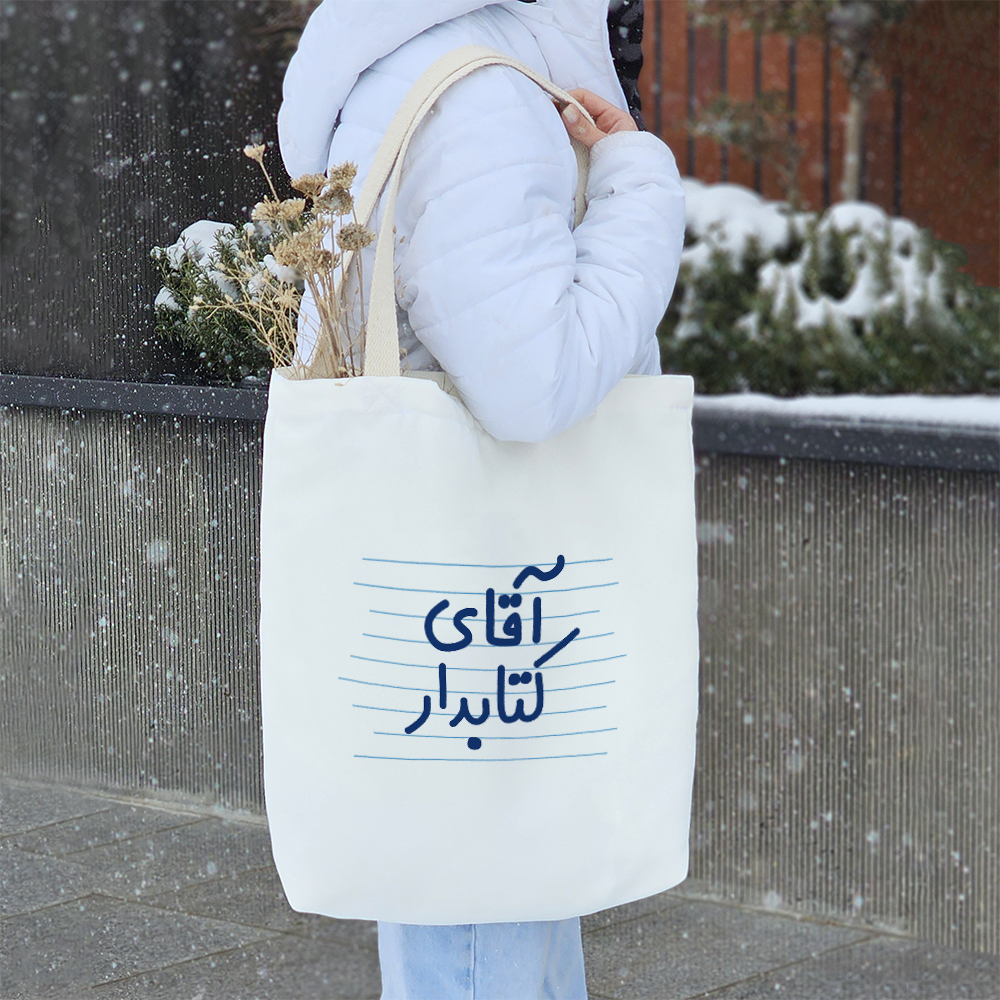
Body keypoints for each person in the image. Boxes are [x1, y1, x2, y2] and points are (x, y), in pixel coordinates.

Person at [278, 1, 685, 996]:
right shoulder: (479, 95)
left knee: (488, 898)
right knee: (483, 917)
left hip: (468, 609)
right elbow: (532, 384)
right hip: (491, 614)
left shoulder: (431, 60)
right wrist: (637, 185)